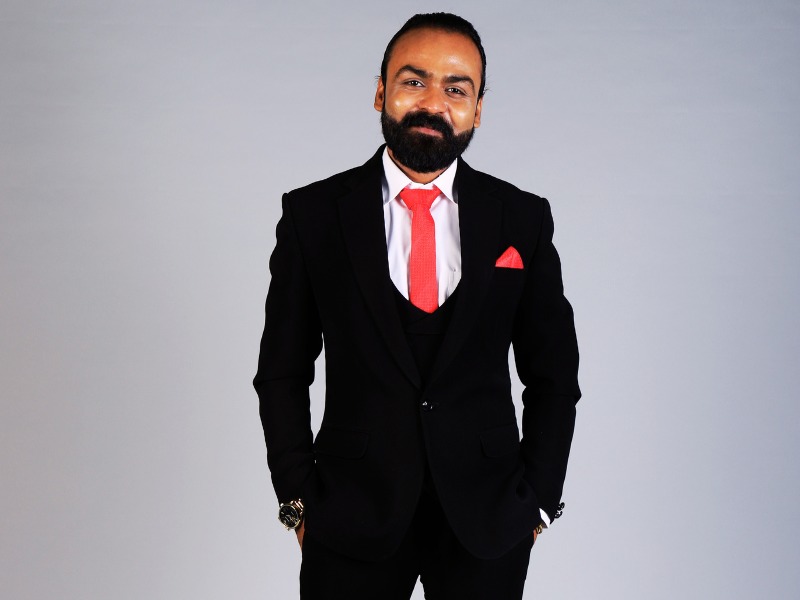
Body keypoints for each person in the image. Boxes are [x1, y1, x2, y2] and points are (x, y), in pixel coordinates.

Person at [254, 12, 581, 600]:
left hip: (489, 518)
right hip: (350, 513)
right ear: (381, 92)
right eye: (414, 81)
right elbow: (281, 370)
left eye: (457, 89)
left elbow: (554, 376)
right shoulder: (313, 215)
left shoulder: (522, 219)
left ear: (477, 109)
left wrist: (538, 502)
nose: (434, 103)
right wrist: (297, 501)